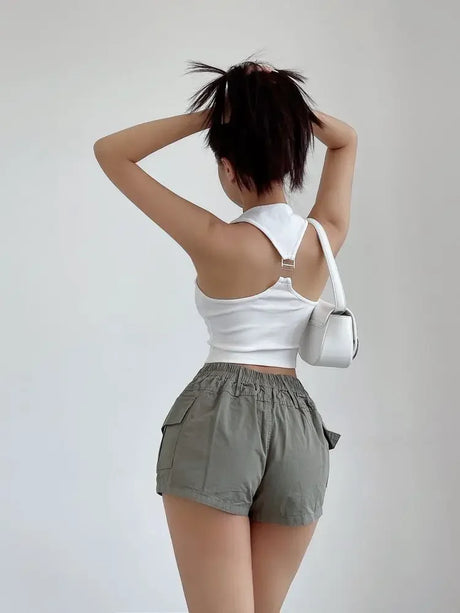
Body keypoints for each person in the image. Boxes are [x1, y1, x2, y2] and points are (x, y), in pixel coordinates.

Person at [93, 56, 358, 613]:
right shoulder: (324, 238)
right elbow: (345, 140)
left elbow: (111, 152)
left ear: (228, 166)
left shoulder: (214, 238)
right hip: (299, 427)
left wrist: (215, 115)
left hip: (219, 416)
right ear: (290, 159)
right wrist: (280, 109)